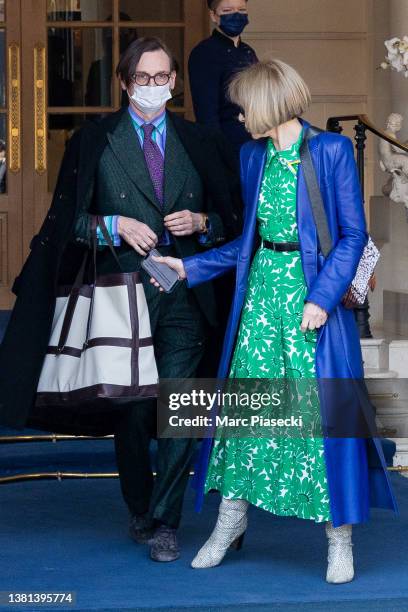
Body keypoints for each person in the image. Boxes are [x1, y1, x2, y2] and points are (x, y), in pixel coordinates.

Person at [148, 59, 398, 581]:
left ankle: (339, 541)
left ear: (266, 105)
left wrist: (322, 299)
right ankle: (228, 523)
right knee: (247, 419)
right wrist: (188, 266)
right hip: (261, 301)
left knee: (321, 422)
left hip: (312, 307)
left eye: (244, 109)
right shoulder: (251, 156)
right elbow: (249, 244)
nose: (239, 118)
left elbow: (353, 235)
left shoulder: (329, 151)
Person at [0, 37, 243, 563]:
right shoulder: (95, 140)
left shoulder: (201, 142)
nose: (153, 88)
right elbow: (66, 223)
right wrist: (111, 223)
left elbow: (233, 220)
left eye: (162, 78)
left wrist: (203, 223)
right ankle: (139, 505)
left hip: (185, 292)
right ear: (125, 83)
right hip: (121, 295)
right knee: (133, 411)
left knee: (182, 407)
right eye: (143, 79)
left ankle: (164, 521)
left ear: (175, 82)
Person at [188, 0, 258, 156]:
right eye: (227, 10)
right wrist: (220, 156)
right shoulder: (204, 53)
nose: (236, 15)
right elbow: (207, 116)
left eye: (241, 9)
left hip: (256, 144)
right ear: (213, 15)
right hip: (228, 148)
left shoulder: (248, 52)